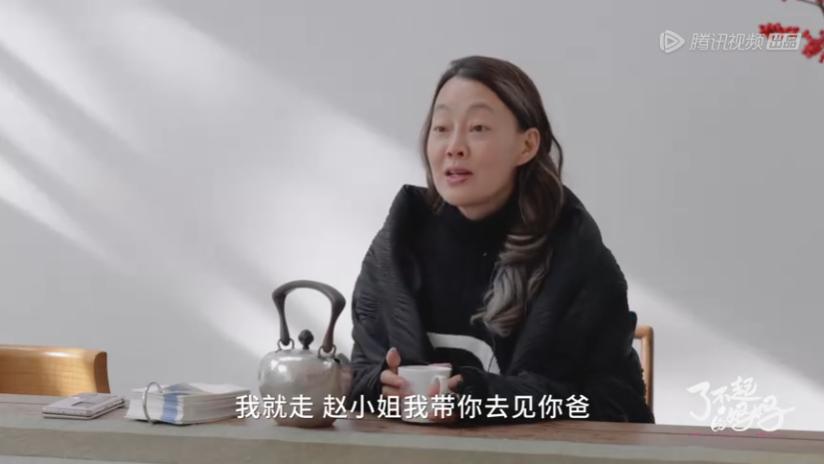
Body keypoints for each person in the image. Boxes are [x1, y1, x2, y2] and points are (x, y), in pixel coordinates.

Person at [347, 55, 654, 424]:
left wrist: (488, 399)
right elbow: (358, 377)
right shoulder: (395, 249)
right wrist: (378, 387)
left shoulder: (576, 258)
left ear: (527, 146)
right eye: (441, 128)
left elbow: (619, 407)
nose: (454, 146)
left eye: (478, 128)